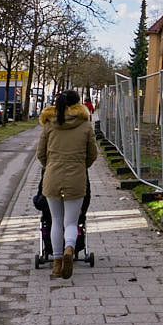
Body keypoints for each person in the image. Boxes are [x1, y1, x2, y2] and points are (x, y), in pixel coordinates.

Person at [38, 90, 97, 279]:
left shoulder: (48, 124)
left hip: (52, 177)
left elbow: (41, 153)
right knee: (71, 221)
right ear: (77, 104)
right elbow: (92, 154)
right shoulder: (86, 125)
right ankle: (69, 249)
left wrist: (51, 166)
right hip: (76, 177)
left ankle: (56, 265)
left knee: (55, 220)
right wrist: (81, 165)